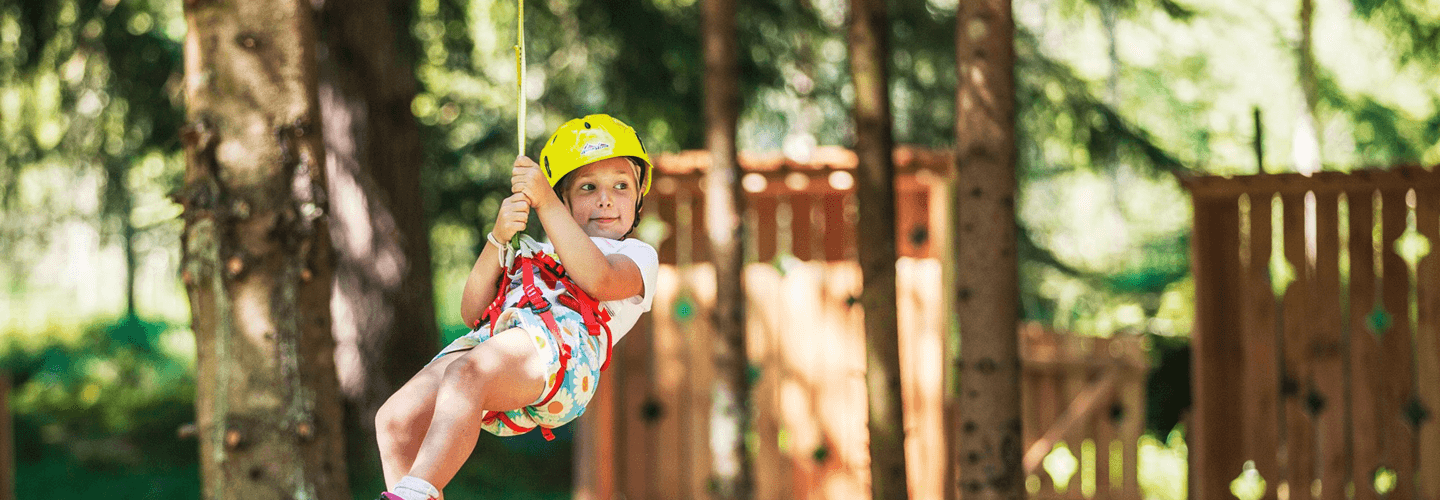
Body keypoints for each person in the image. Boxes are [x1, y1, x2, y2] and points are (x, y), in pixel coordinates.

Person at [373, 114, 660, 500]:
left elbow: (600, 280)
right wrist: (497, 238)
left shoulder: (636, 256)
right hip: (500, 350)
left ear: (639, 194)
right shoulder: (536, 253)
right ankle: (412, 491)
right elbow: (472, 313)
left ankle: (414, 493)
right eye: (588, 187)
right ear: (565, 199)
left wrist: (544, 203)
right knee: (395, 418)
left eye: (621, 185)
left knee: (465, 372)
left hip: (563, 360)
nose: (606, 198)